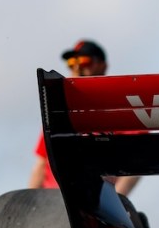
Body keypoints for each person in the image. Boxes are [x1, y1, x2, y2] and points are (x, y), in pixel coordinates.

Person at [28, 39, 140, 195]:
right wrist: (29, 204)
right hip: (51, 202)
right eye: (72, 62)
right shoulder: (59, 111)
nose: (77, 67)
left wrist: (118, 200)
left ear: (103, 66)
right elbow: (41, 163)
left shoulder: (119, 107)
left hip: (95, 202)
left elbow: (136, 162)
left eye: (85, 61)